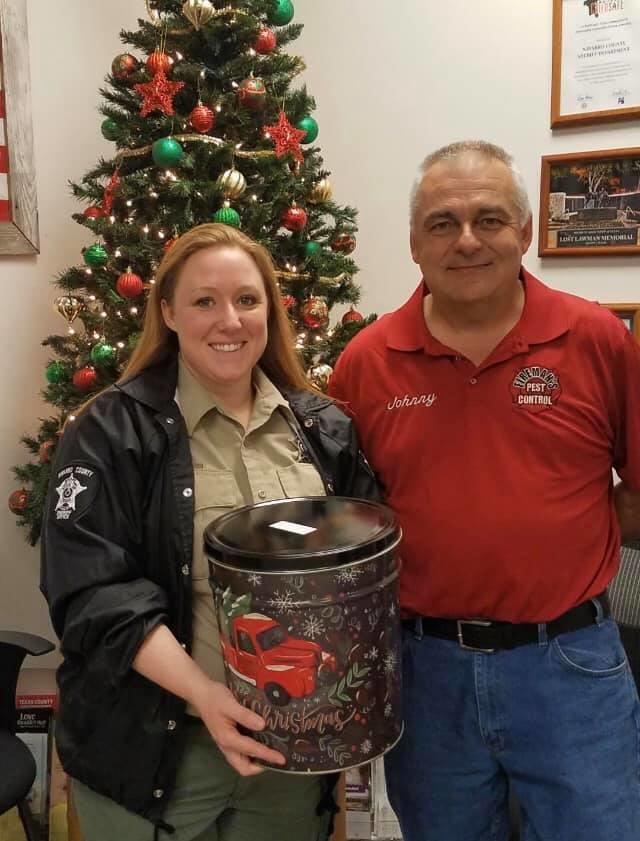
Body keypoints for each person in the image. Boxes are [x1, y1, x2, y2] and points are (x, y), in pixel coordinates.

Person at [328, 140, 640, 841]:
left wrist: (569, 538)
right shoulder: (365, 363)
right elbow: (351, 520)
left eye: (489, 219)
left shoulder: (596, 338)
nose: (467, 239)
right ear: (414, 243)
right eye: (442, 223)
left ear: (525, 232)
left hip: (570, 666)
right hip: (425, 670)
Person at [41, 223, 379, 841]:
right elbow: (91, 594)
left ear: (270, 311)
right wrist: (205, 694)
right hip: (152, 753)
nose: (230, 320)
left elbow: (361, 583)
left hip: (285, 756)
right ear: (167, 311)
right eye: (204, 301)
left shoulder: (324, 430)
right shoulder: (110, 432)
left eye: (247, 300)